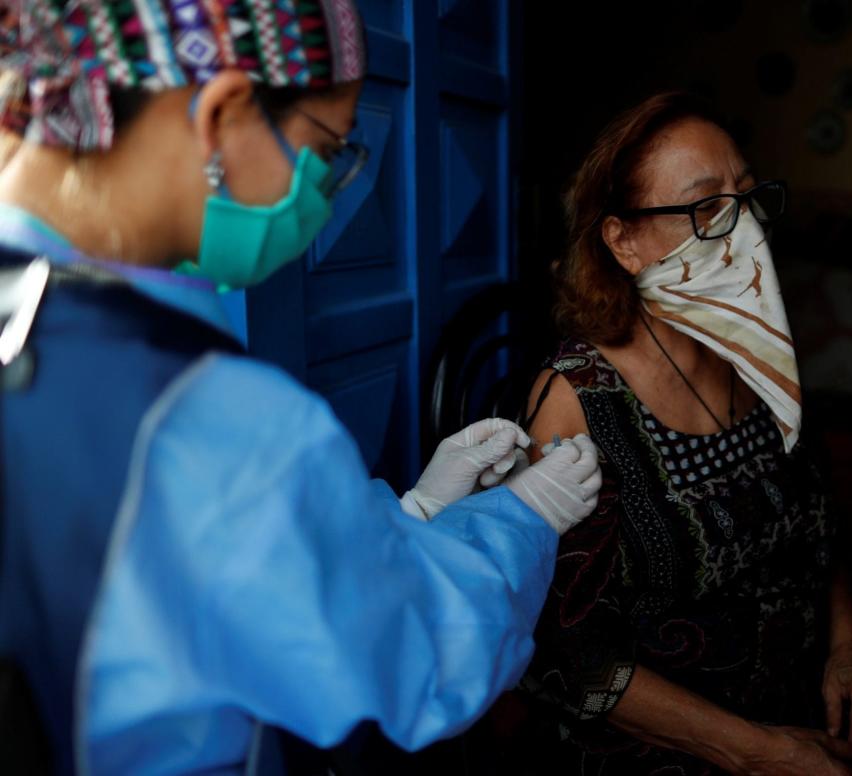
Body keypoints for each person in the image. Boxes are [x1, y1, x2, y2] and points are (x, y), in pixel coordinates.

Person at [0, 2, 600, 774]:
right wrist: (520, 519)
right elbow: (416, 662)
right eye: (327, 152)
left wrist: (406, 519)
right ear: (222, 113)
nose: (329, 191)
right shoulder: (207, 413)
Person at [518, 92, 852, 776]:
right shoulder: (579, 403)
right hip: (674, 750)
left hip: (805, 710)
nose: (747, 230)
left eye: (749, 195)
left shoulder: (759, 356)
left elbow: (821, 535)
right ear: (625, 242)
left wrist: (851, 649)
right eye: (707, 210)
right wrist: (758, 753)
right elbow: (572, 654)